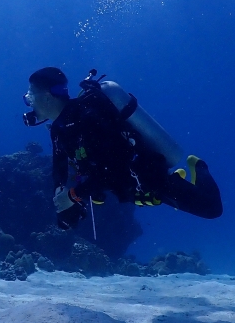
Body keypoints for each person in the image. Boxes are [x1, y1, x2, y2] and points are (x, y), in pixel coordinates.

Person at [23, 67, 222, 230]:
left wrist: (73, 196)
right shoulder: (58, 129)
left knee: (212, 209)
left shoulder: (88, 118)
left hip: (148, 176)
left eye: (31, 97)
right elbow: (59, 167)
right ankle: (177, 179)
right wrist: (61, 201)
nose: (29, 103)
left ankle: (199, 167)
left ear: (48, 97)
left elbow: (113, 169)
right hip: (131, 188)